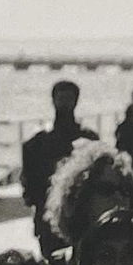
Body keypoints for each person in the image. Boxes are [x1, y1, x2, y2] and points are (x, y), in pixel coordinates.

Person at [20, 81, 97, 255]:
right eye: (61, 98)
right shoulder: (37, 143)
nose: (64, 103)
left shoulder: (89, 139)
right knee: (51, 258)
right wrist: (35, 198)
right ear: (53, 100)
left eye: (69, 98)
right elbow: (29, 178)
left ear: (76, 101)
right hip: (47, 213)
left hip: (81, 213)